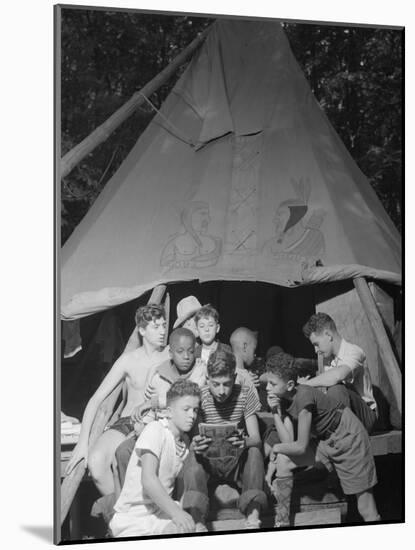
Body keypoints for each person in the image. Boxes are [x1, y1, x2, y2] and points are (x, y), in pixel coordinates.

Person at [264, 352, 380, 527]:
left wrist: (276, 448)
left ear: (289, 385)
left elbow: (301, 447)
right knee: (284, 460)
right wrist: (275, 412)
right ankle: (282, 522)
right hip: (325, 441)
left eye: (272, 384)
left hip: (348, 437)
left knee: (366, 508)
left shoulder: (304, 398)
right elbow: (288, 441)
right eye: (267, 383)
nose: (267, 388)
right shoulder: (283, 399)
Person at [65, 304, 169, 495]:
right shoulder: (128, 360)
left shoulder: (171, 355)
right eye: (156, 327)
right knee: (96, 462)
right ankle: (119, 512)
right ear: (142, 330)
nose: (162, 331)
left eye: (164, 325)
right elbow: (95, 400)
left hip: (158, 422)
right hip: (127, 422)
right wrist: (82, 443)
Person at [182, 350, 267, 531]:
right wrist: (196, 444)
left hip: (236, 462)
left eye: (227, 384)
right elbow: (194, 438)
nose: (221, 391)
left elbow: (256, 439)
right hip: (210, 463)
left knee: (254, 451)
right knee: (192, 455)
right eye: (216, 384)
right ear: (207, 378)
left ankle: (253, 517)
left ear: (235, 377)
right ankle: (198, 522)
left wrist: (245, 442)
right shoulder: (201, 396)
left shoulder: (245, 394)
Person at [109, 380, 201, 538]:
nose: (192, 415)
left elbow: (179, 487)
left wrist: (182, 513)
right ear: (169, 412)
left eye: (195, 410)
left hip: (161, 512)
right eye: (186, 409)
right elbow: (148, 479)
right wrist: (177, 513)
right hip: (135, 516)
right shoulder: (155, 430)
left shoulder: (184, 442)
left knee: (198, 529)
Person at [115, 328, 206, 485]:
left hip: (188, 430)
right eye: (180, 351)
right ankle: (131, 501)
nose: (186, 357)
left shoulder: (200, 369)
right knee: (123, 451)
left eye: (191, 352)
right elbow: (150, 411)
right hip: (159, 429)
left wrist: (153, 402)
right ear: (170, 353)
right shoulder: (159, 375)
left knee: (183, 462)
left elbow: (187, 397)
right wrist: (143, 424)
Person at [301, 313, 377, 433]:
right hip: (345, 415)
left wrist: (306, 384)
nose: (316, 350)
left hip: (365, 416)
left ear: (328, 335)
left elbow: (338, 375)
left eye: (316, 344)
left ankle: (340, 436)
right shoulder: (328, 360)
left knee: (336, 388)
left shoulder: (354, 351)